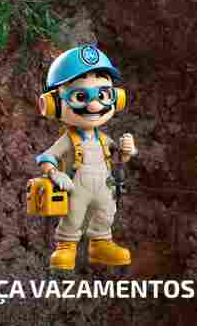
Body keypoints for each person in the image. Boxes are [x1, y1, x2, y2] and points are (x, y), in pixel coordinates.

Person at [36, 45, 138, 270]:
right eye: (80, 97)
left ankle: (101, 244)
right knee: (73, 217)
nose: (94, 105)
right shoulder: (68, 139)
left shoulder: (103, 139)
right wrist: (54, 173)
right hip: (77, 187)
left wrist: (126, 151)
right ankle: (66, 246)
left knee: (105, 213)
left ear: (117, 99)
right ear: (53, 104)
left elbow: (118, 159)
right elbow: (47, 157)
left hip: (103, 186)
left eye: (103, 95)